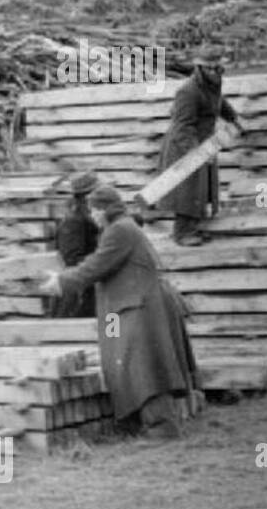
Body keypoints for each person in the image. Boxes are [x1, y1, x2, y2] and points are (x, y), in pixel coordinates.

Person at [42, 184, 198, 439]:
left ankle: (162, 427)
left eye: (94, 211)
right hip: (123, 307)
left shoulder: (119, 231)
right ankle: (134, 420)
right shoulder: (119, 228)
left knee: (144, 364)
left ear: (104, 210)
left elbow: (96, 266)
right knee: (121, 358)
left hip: (141, 306)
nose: (92, 216)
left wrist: (61, 282)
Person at [156, 43, 244, 246]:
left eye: (218, 68)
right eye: (210, 68)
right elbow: (182, 127)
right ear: (200, 68)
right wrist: (195, 154)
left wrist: (233, 118)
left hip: (203, 142)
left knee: (202, 189)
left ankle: (194, 228)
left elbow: (218, 102)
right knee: (187, 191)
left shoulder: (212, 85)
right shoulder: (188, 92)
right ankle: (182, 234)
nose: (215, 72)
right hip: (184, 145)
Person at [51, 171, 100, 318]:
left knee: (111, 333)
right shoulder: (73, 222)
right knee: (79, 336)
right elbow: (70, 260)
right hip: (79, 297)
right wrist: (102, 262)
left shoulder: (93, 218)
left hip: (95, 291)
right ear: (86, 196)